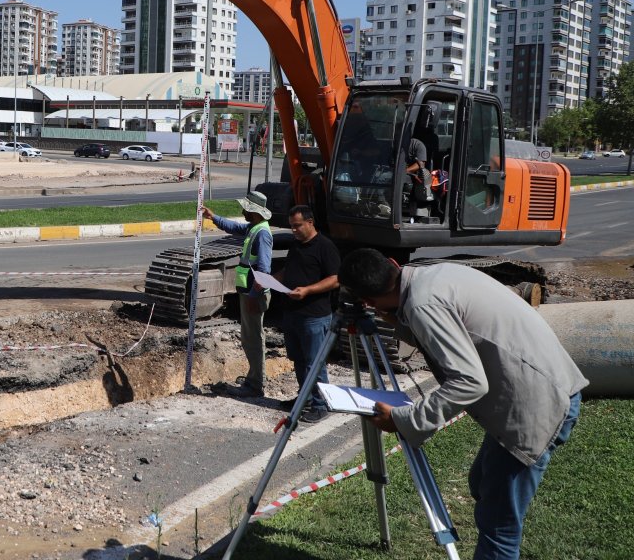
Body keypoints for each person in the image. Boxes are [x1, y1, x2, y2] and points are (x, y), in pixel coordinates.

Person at [337, 249, 588, 560]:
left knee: (498, 527)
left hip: (538, 406)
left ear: (369, 302)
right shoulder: (432, 276)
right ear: (392, 264)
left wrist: (404, 419)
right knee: (481, 482)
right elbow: (454, 330)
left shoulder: (422, 303)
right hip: (549, 386)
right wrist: (398, 318)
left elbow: (470, 382)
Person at [268, 205, 340, 423]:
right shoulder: (297, 246)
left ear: (310, 222)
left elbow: (336, 279)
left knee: (314, 363)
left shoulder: (325, 247)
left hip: (314, 316)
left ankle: (321, 404)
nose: (294, 230)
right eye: (291, 227)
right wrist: (271, 280)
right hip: (292, 314)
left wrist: (308, 290)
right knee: (299, 360)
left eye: (298, 226)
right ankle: (305, 398)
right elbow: (289, 270)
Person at [201, 191, 275, 398]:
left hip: (254, 294)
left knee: (253, 338)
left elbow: (264, 271)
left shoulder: (262, 234)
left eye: (246, 208)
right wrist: (214, 217)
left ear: (254, 211)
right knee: (248, 337)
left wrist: (253, 296)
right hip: (250, 292)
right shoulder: (254, 228)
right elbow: (235, 228)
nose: (242, 211)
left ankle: (255, 384)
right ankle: (254, 377)